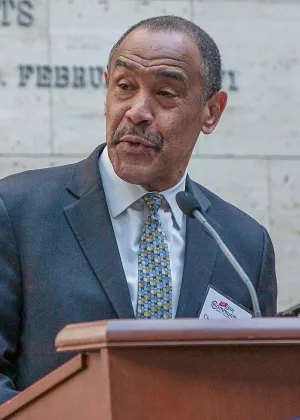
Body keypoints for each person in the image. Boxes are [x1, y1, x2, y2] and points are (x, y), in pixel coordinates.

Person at [0, 15, 277, 405]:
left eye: (165, 93)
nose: (137, 111)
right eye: (125, 86)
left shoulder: (244, 246)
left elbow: (258, 390)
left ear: (211, 112)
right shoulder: (17, 211)